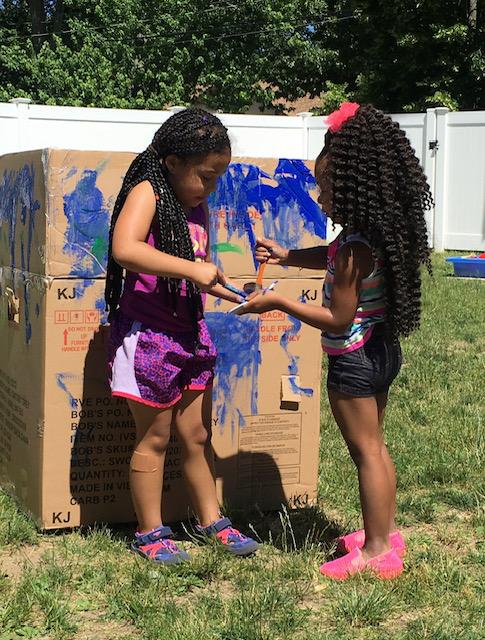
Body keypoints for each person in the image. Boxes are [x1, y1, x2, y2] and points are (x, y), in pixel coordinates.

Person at [237, 102, 432, 580]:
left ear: (351, 187)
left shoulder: (352, 250)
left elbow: (336, 317)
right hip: (382, 351)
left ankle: (377, 551)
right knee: (377, 446)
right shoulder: (373, 238)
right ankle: (384, 532)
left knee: (366, 451)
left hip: (353, 361)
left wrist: (278, 302)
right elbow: (332, 257)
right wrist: (287, 255)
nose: (321, 197)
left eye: (326, 188)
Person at [105, 108, 259, 564]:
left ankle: (211, 520)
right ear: (173, 162)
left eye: (217, 178)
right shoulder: (147, 191)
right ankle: (150, 532)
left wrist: (213, 281)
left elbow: (190, 262)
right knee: (154, 437)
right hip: (148, 338)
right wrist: (193, 268)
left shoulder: (193, 202)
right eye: (206, 176)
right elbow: (124, 248)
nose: (211, 187)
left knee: (195, 435)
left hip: (189, 334)